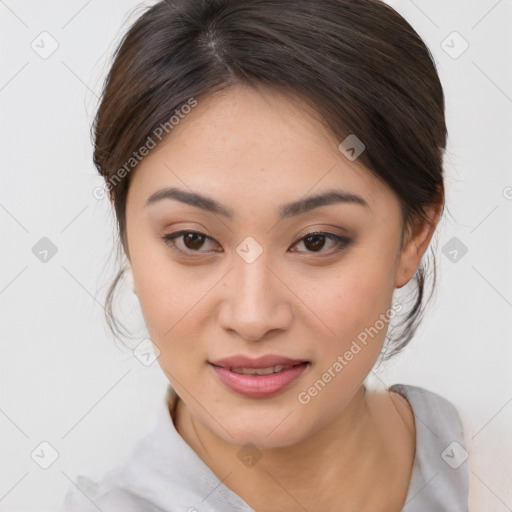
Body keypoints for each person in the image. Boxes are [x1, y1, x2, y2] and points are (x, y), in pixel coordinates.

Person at [62, 0, 471, 510]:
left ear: (416, 231)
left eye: (317, 241)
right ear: (126, 234)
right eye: (192, 240)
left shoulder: (488, 469)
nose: (253, 318)